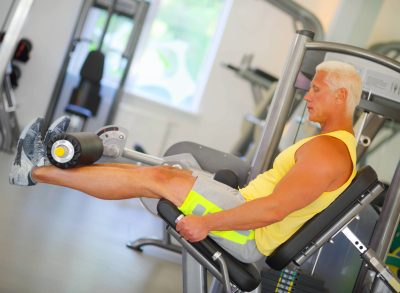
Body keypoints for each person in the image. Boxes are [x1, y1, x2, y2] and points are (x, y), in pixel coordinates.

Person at [9, 60, 362, 263]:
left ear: (341, 95)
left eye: (316, 89)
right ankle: (47, 164)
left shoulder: (328, 152)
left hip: (248, 231)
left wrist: (209, 223)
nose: (308, 96)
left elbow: (273, 210)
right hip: (245, 211)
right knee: (158, 173)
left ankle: (37, 171)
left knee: (156, 179)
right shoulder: (329, 145)